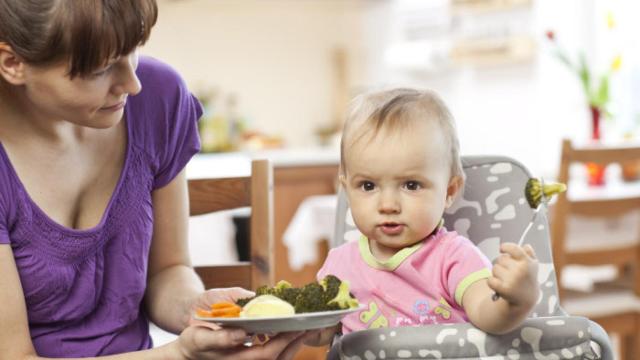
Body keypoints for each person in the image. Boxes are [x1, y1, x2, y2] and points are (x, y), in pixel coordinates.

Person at [0, 1, 315, 358]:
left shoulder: (159, 98)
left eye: (133, 50)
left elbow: (167, 270)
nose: (132, 84)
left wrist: (198, 308)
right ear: (13, 64)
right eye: (100, 69)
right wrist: (180, 354)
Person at [306, 88, 540, 346]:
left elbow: (488, 315)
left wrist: (517, 301)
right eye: (368, 186)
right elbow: (322, 333)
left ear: (449, 191)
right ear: (347, 189)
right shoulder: (339, 265)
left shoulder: (453, 257)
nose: (388, 205)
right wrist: (291, 323)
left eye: (411, 185)